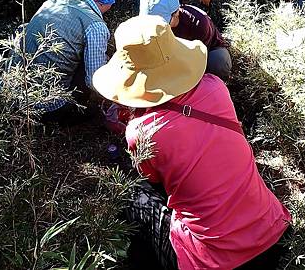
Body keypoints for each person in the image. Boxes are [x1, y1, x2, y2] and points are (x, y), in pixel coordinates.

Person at [93, 15, 292, 270]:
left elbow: (154, 181)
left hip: (214, 262)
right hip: (274, 236)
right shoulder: (216, 86)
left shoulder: (140, 132)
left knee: (134, 195)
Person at [22, 0, 118, 123]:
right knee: (92, 67)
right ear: (107, 0)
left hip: (17, 94)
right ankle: (76, 115)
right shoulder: (95, 25)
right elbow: (94, 80)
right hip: (47, 107)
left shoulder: (51, 3)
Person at [139, 0, 232, 82]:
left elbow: (199, 58)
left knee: (218, 61)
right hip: (174, 54)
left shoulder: (199, 23)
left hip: (205, 52)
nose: (156, 27)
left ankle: (214, 86)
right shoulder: (147, 23)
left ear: (176, 13)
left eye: (161, 22)